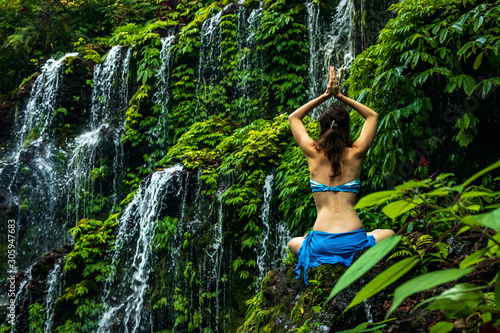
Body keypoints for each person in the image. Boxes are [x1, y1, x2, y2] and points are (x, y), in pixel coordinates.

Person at [287, 66, 395, 285]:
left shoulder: (312, 154)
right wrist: (341, 96)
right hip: (354, 241)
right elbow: (372, 116)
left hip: (321, 243)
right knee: (389, 233)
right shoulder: (356, 154)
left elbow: (294, 117)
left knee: (293, 243)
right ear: (346, 129)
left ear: (322, 128)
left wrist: (325, 95)